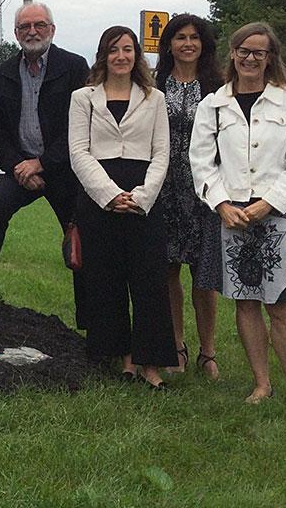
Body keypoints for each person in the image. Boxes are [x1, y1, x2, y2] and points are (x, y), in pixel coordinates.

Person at [190, 22, 286, 418]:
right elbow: (201, 161)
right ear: (233, 54)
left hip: (275, 214)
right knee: (245, 303)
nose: (249, 58)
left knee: (280, 306)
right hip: (231, 215)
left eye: (258, 53)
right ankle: (261, 384)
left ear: (269, 58)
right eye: (243, 51)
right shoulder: (214, 104)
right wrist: (221, 204)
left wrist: (270, 203)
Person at [68, 25, 175, 389]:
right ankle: (123, 357)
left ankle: (151, 364)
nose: (121, 56)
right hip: (100, 197)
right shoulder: (83, 98)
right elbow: (78, 152)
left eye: (128, 49)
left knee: (149, 281)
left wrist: (142, 197)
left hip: (144, 197)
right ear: (103, 55)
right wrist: (110, 194)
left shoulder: (154, 98)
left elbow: (162, 154)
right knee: (105, 279)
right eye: (114, 50)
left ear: (137, 55)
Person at [0, 2, 89, 317]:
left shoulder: (75, 67)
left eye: (39, 25)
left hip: (65, 169)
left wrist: (44, 163)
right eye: (25, 27)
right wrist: (17, 166)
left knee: (80, 236)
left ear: (52, 28)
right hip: (21, 167)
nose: (32, 31)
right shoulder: (4, 73)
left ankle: (90, 320)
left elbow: (81, 126)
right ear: (16, 33)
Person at [150, 13, 223, 378]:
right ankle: (176, 344)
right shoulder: (154, 84)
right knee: (168, 271)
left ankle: (208, 352)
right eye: (180, 37)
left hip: (205, 192)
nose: (188, 44)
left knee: (204, 274)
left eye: (194, 37)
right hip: (163, 189)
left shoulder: (218, 87)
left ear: (203, 44)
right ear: (169, 44)